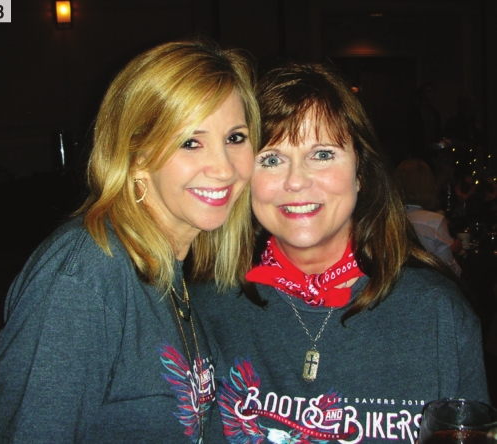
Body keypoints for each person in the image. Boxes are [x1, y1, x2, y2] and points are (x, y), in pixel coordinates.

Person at [192, 62, 490, 444]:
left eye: (322, 154)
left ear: (360, 173)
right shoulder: (206, 311)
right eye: (271, 159)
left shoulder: (437, 314)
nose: (295, 181)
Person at [0, 40, 260, 443]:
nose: (224, 168)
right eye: (190, 142)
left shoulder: (171, 270)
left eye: (235, 138)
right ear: (136, 155)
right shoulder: (84, 276)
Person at [394, 158, 462, 276]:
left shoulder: (387, 218)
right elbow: (450, 272)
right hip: (426, 285)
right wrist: (454, 251)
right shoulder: (434, 221)